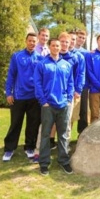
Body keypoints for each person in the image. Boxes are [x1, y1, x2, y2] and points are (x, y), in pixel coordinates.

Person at [34, 38, 74, 175]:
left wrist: (69, 99)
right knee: (46, 135)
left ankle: (64, 161)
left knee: (63, 135)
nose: (56, 47)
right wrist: (43, 101)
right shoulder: (42, 64)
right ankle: (44, 163)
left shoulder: (66, 64)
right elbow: (37, 84)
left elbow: (70, 84)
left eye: (58, 45)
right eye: (53, 45)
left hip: (63, 105)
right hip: (48, 105)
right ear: (49, 47)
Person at [3, 33, 43, 162]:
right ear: (26, 41)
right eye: (30, 41)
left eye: (34, 41)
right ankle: (9, 149)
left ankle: (29, 147)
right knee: (15, 124)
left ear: (37, 43)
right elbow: (11, 76)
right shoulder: (17, 56)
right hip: (18, 97)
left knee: (33, 124)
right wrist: (9, 93)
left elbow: (42, 78)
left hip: (34, 98)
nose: (32, 43)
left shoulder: (40, 58)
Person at [75, 30, 90, 135]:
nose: (81, 39)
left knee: (83, 110)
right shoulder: (68, 50)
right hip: (70, 86)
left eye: (83, 38)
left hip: (84, 85)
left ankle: (82, 133)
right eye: (79, 37)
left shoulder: (86, 53)